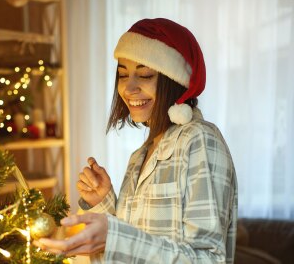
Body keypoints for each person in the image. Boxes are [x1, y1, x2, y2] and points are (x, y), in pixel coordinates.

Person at [35, 18, 238, 263]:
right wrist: (103, 203)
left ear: (174, 81)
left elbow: (209, 259)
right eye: (123, 75)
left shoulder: (201, 141)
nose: (129, 88)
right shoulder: (138, 157)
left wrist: (114, 238)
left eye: (144, 74)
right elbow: (133, 248)